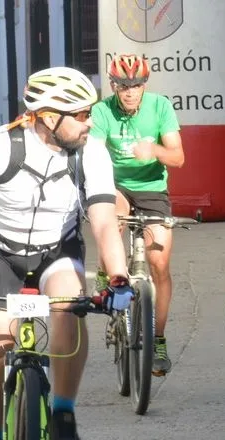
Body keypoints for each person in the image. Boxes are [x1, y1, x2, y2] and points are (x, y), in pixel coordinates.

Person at [0, 67, 133, 440]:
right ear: (49, 117)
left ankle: (63, 410)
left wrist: (119, 276)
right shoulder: (0, 145)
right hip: (0, 252)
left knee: (70, 308)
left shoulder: (91, 151)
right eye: (81, 114)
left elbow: (104, 222)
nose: (90, 122)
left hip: (57, 249)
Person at [90, 53, 185, 376]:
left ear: (145, 85)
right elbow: (92, 153)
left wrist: (153, 150)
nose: (130, 92)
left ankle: (158, 340)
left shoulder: (160, 106)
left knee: (159, 263)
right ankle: (104, 272)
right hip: (114, 184)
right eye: (123, 86)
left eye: (136, 85)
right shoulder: (102, 111)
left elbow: (178, 157)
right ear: (113, 85)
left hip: (152, 188)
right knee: (113, 219)